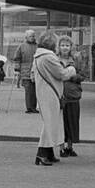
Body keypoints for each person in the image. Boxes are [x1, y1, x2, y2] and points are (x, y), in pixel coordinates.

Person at [32, 32, 75, 167]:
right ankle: (42, 154)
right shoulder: (48, 57)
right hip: (50, 94)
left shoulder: (38, 56)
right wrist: (72, 69)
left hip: (45, 92)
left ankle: (49, 153)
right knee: (49, 124)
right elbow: (61, 74)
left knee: (52, 124)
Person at [56, 35, 83, 154]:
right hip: (59, 94)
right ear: (58, 47)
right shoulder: (54, 59)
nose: (65, 48)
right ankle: (61, 148)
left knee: (72, 122)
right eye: (62, 45)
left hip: (73, 94)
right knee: (60, 123)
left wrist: (74, 77)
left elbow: (83, 74)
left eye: (67, 45)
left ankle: (70, 146)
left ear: (71, 47)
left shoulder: (76, 59)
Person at [14, 30, 39, 113]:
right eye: (30, 36)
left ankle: (33, 107)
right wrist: (17, 70)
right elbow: (17, 59)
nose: (32, 38)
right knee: (28, 90)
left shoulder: (38, 46)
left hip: (35, 70)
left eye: (33, 36)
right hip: (25, 70)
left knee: (35, 90)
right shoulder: (21, 46)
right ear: (26, 37)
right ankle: (29, 107)